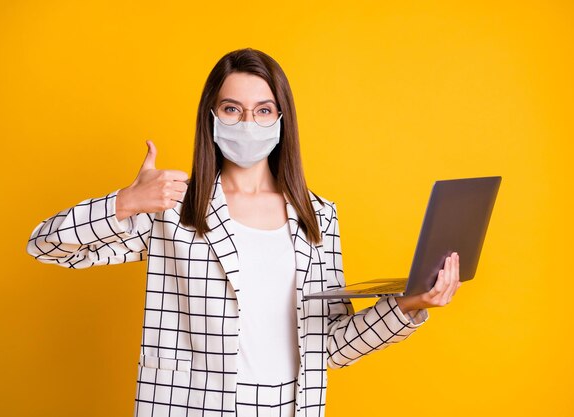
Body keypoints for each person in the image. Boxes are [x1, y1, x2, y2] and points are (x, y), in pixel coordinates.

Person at [26, 47, 461, 417]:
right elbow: (47, 245)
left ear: (281, 119)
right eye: (232, 109)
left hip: (291, 406)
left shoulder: (319, 217)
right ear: (212, 117)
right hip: (190, 405)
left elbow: (329, 346)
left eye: (263, 110)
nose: (248, 123)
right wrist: (125, 202)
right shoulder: (174, 206)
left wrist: (408, 306)